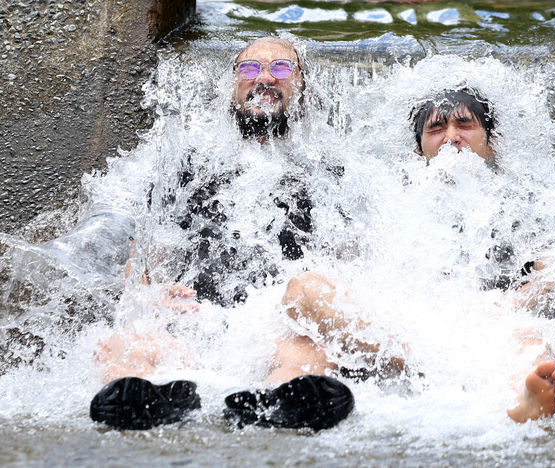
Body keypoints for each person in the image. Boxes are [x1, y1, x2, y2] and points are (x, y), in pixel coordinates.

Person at [90, 37, 358, 432]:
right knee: (119, 343)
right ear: (232, 86)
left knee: (306, 347)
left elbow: (350, 269)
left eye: (280, 69)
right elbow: (144, 263)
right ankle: (142, 402)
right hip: (197, 318)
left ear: (303, 85)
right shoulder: (190, 164)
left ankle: (274, 400)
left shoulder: (327, 171)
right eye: (249, 69)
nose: (263, 78)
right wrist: (152, 296)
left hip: (277, 324)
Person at [282, 87, 555, 423]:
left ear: (491, 144)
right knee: (302, 289)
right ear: (419, 152)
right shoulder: (387, 198)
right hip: (402, 333)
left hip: (488, 330)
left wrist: (508, 306)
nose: (451, 138)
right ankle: (438, 363)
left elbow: (552, 274)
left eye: (465, 125)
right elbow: (351, 267)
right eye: (436, 129)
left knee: (530, 341)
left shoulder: (526, 201)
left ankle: (522, 402)